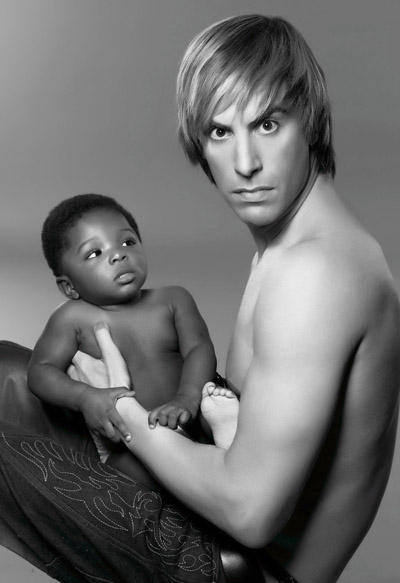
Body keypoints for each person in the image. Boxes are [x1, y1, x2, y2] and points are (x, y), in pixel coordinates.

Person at [0, 14, 398, 583]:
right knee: (7, 373)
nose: (245, 164)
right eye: (219, 132)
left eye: (267, 124)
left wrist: (122, 409)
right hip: (221, 533)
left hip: (242, 569)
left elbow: (251, 511)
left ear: (309, 120)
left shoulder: (316, 273)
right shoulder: (294, 247)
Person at [28, 193, 217, 475]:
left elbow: (199, 349)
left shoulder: (173, 300)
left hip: (191, 417)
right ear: (69, 287)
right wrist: (85, 397)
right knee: (123, 472)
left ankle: (223, 432)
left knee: (226, 411)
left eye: (128, 242)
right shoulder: (72, 318)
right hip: (132, 442)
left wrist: (187, 399)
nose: (119, 255)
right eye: (95, 253)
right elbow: (40, 371)